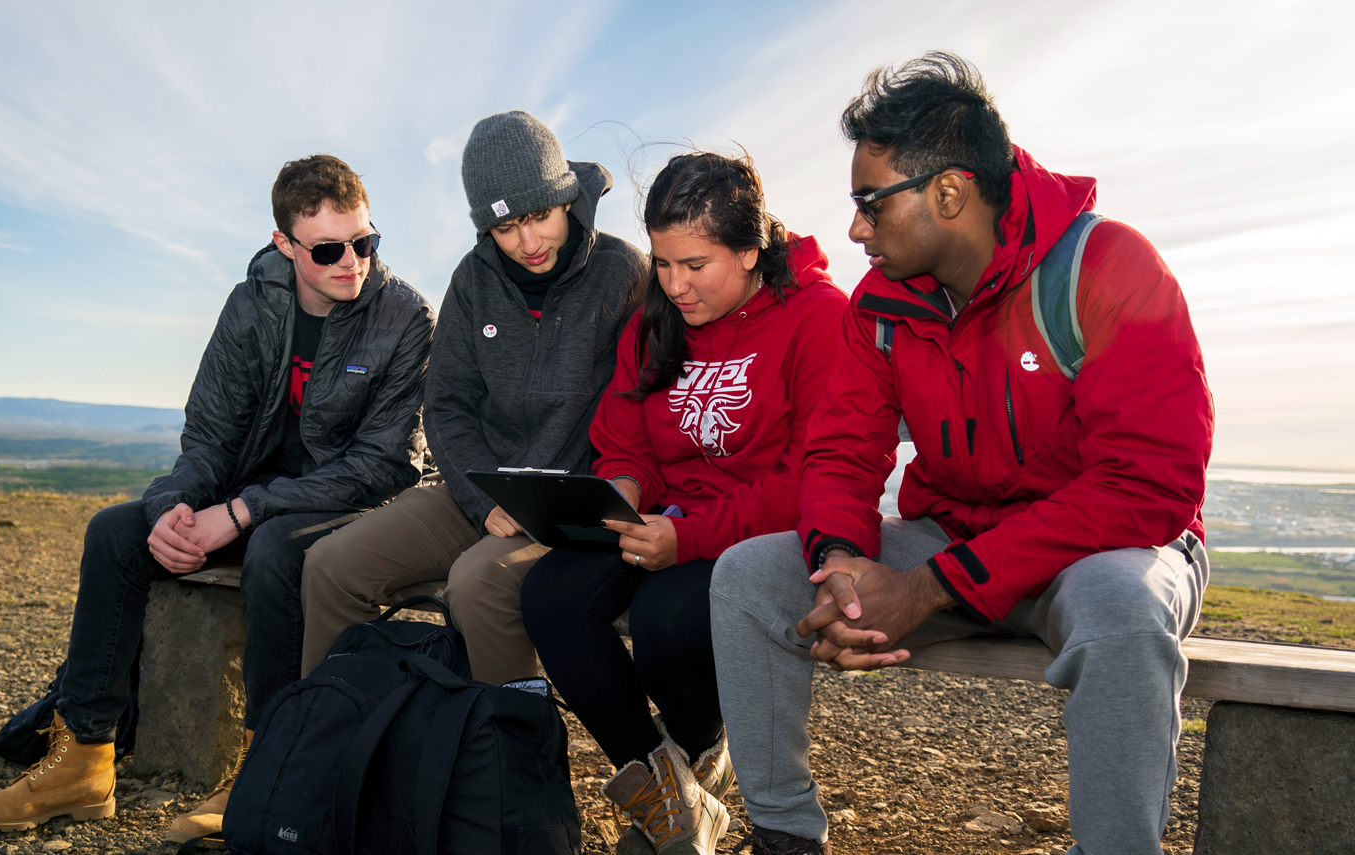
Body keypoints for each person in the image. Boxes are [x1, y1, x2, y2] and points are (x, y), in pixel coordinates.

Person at [710, 52, 1213, 855]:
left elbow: (1150, 484)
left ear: (949, 192)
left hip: (1102, 551)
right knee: (745, 578)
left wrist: (929, 587)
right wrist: (841, 562)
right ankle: (784, 837)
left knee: (1124, 618)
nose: (854, 228)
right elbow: (841, 452)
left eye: (871, 203)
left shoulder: (1106, 266)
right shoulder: (879, 308)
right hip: (953, 540)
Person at [0, 156, 436, 842]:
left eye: (365, 240)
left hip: (346, 507)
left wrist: (239, 512)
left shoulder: (406, 315)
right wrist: (173, 510)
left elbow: (383, 465)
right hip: (249, 498)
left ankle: (261, 768)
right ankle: (82, 760)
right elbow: (208, 434)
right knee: (115, 532)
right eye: (328, 249)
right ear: (285, 245)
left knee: (273, 550)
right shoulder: (252, 304)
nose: (352, 261)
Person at [521, 152, 850, 855]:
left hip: (760, 534)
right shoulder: (656, 319)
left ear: (751, 248)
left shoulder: (821, 318)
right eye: (663, 264)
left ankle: (697, 764)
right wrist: (627, 494)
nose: (674, 285)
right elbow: (623, 436)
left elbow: (812, 476)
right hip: (664, 523)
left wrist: (692, 538)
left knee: (664, 615)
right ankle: (675, 801)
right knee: (550, 592)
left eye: (694, 265)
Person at [299, 111, 646, 686]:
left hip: (573, 507)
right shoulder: (473, 279)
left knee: (476, 583)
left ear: (565, 198)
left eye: (539, 217)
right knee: (330, 566)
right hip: (476, 488)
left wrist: (586, 497)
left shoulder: (623, 274)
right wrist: (482, 498)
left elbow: (640, 406)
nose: (527, 242)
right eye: (506, 228)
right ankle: (336, 736)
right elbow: (448, 404)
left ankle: (509, 757)